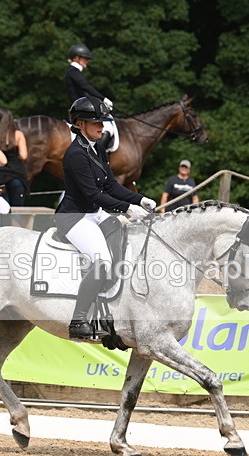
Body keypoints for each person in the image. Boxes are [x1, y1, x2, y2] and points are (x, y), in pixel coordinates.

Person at [55, 95, 156, 340]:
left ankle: (107, 311)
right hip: (75, 217)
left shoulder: (98, 146)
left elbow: (110, 185)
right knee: (101, 261)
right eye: (95, 122)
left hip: (95, 214)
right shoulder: (75, 154)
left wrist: (139, 199)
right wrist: (127, 209)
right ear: (80, 124)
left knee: (120, 244)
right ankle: (78, 320)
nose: (102, 126)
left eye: (102, 121)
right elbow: (94, 194)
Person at [64, 43, 117, 152]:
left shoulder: (73, 72)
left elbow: (85, 93)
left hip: (80, 108)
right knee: (108, 127)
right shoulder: (74, 72)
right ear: (77, 58)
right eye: (85, 58)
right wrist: (103, 99)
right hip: (80, 110)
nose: (87, 61)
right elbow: (86, 87)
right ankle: (95, 156)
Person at [0, 109, 29, 207]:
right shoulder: (18, 134)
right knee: (17, 208)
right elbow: (24, 156)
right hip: (16, 173)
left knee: (1, 206)